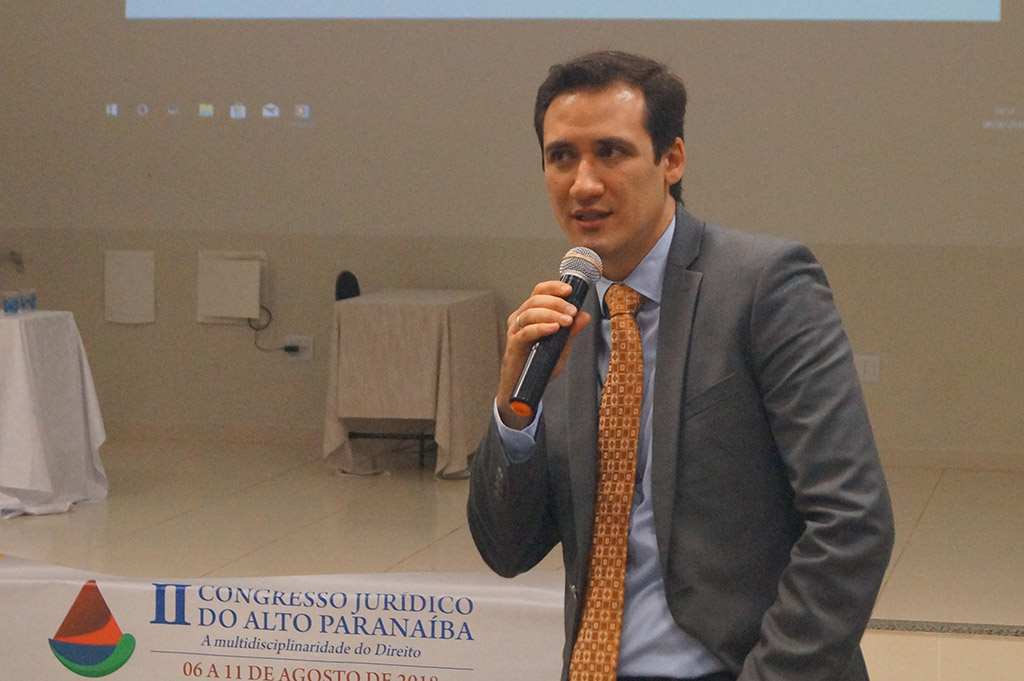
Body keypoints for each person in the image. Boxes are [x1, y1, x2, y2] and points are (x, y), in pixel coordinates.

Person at [467, 50, 894, 681]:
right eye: (561, 157)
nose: (583, 184)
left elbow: (852, 523)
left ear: (672, 160)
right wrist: (514, 416)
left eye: (610, 152)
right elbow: (507, 551)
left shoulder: (765, 286)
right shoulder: (564, 320)